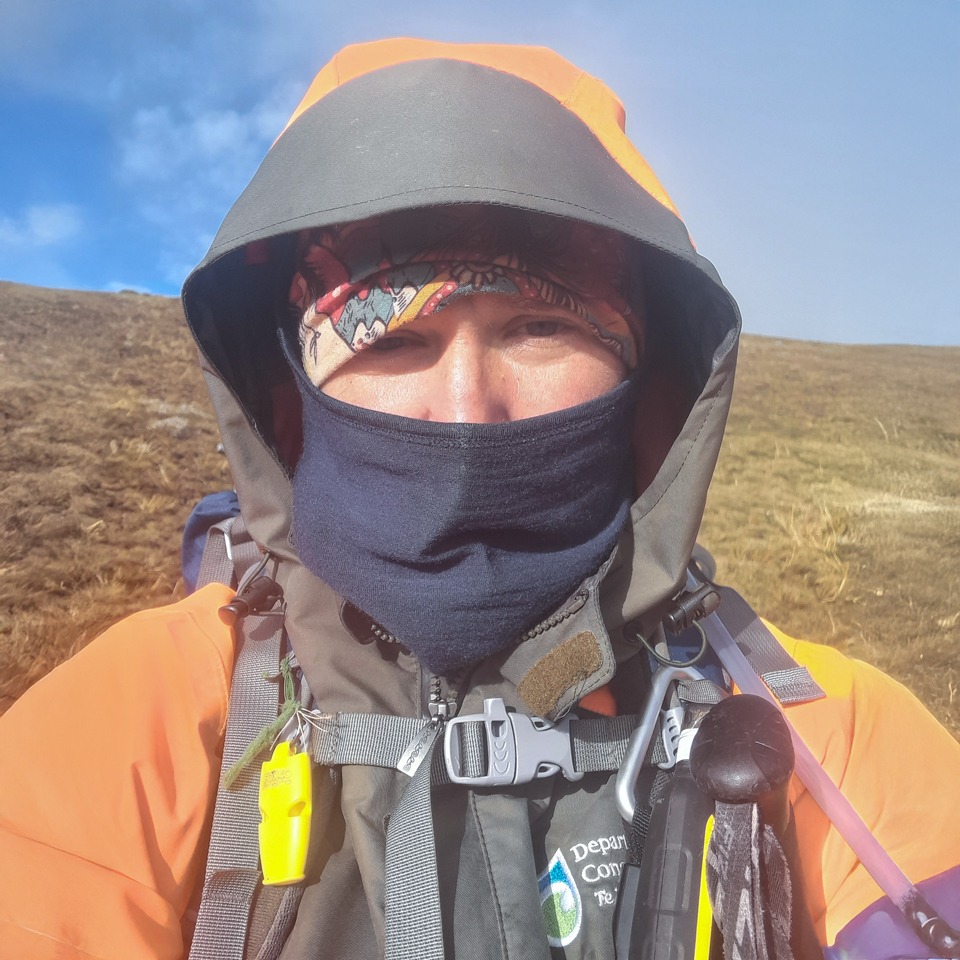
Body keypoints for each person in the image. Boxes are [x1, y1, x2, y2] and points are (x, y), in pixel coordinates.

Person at [1, 37, 958, 960]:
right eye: (392, 341)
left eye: (541, 327)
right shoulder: (135, 727)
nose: (468, 412)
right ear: (296, 403)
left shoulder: (828, 737)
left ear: (643, 380)